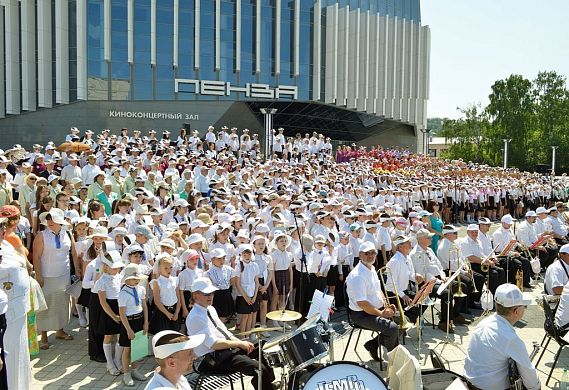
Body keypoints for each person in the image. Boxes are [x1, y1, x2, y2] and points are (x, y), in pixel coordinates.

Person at [186, 277, 277, 390]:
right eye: (206, 293)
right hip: (211, 359)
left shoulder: (210, 309)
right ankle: (266, 384)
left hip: (224, 352)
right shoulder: (195, 317)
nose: (210, 296)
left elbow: (225, 332)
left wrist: (239, 342)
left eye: (212, 293)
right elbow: (214, 344)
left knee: (260, 346)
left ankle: (268, 384)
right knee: (259, 369)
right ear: (195, 295)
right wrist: (238, 344)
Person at [463, 284, 539, 390]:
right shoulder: (511, 339)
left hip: (470, 382)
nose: (525, 309)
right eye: (524, 306)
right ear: (516, 311)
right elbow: (531, 380)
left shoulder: (484, 322)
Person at [346, 241, 399, 361]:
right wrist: (381, 314)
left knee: (403, 320)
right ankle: (394, 361)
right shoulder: (357, 276)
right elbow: (362, 304)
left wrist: (386, 306)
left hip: (374, 310)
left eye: (373, 253)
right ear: (360, 255)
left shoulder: (372, 268)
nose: (370, 256)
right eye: (367, 253)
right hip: (361, 315)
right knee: (392, 328)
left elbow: (378, 290)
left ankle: (373, 344)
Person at [33, 208, 76, 350]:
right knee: (46, 305)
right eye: (49, 218)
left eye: (53, 219)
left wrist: (78, 271)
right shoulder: (41, 235)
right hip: (46, 275)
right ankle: (44, 336)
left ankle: (60, 330)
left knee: (62, 303)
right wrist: (39, 276)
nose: (50, 221)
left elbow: (74, 254)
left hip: (63, 275)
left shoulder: (68, 234)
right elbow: (36, 257)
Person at [0, 216, 32, 389]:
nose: (3, 230)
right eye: (0, 227)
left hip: (19, 310)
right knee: (9, 358)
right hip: (6, 313)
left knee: (20, 355)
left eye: (3, 226)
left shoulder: (5, 245)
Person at [118, 263, 149, 386]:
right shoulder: (123, 293)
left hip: (140, 320)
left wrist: (146, 322)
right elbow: (122, 314)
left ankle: (135, 370)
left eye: (138, 279)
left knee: (138, 349)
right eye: (134, 279)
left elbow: (144, 306)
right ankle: (126, 374)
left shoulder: (140, 289)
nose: (137, 281)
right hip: (128, 322)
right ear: (126, 278)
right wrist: (128, 329)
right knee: (127, 349)